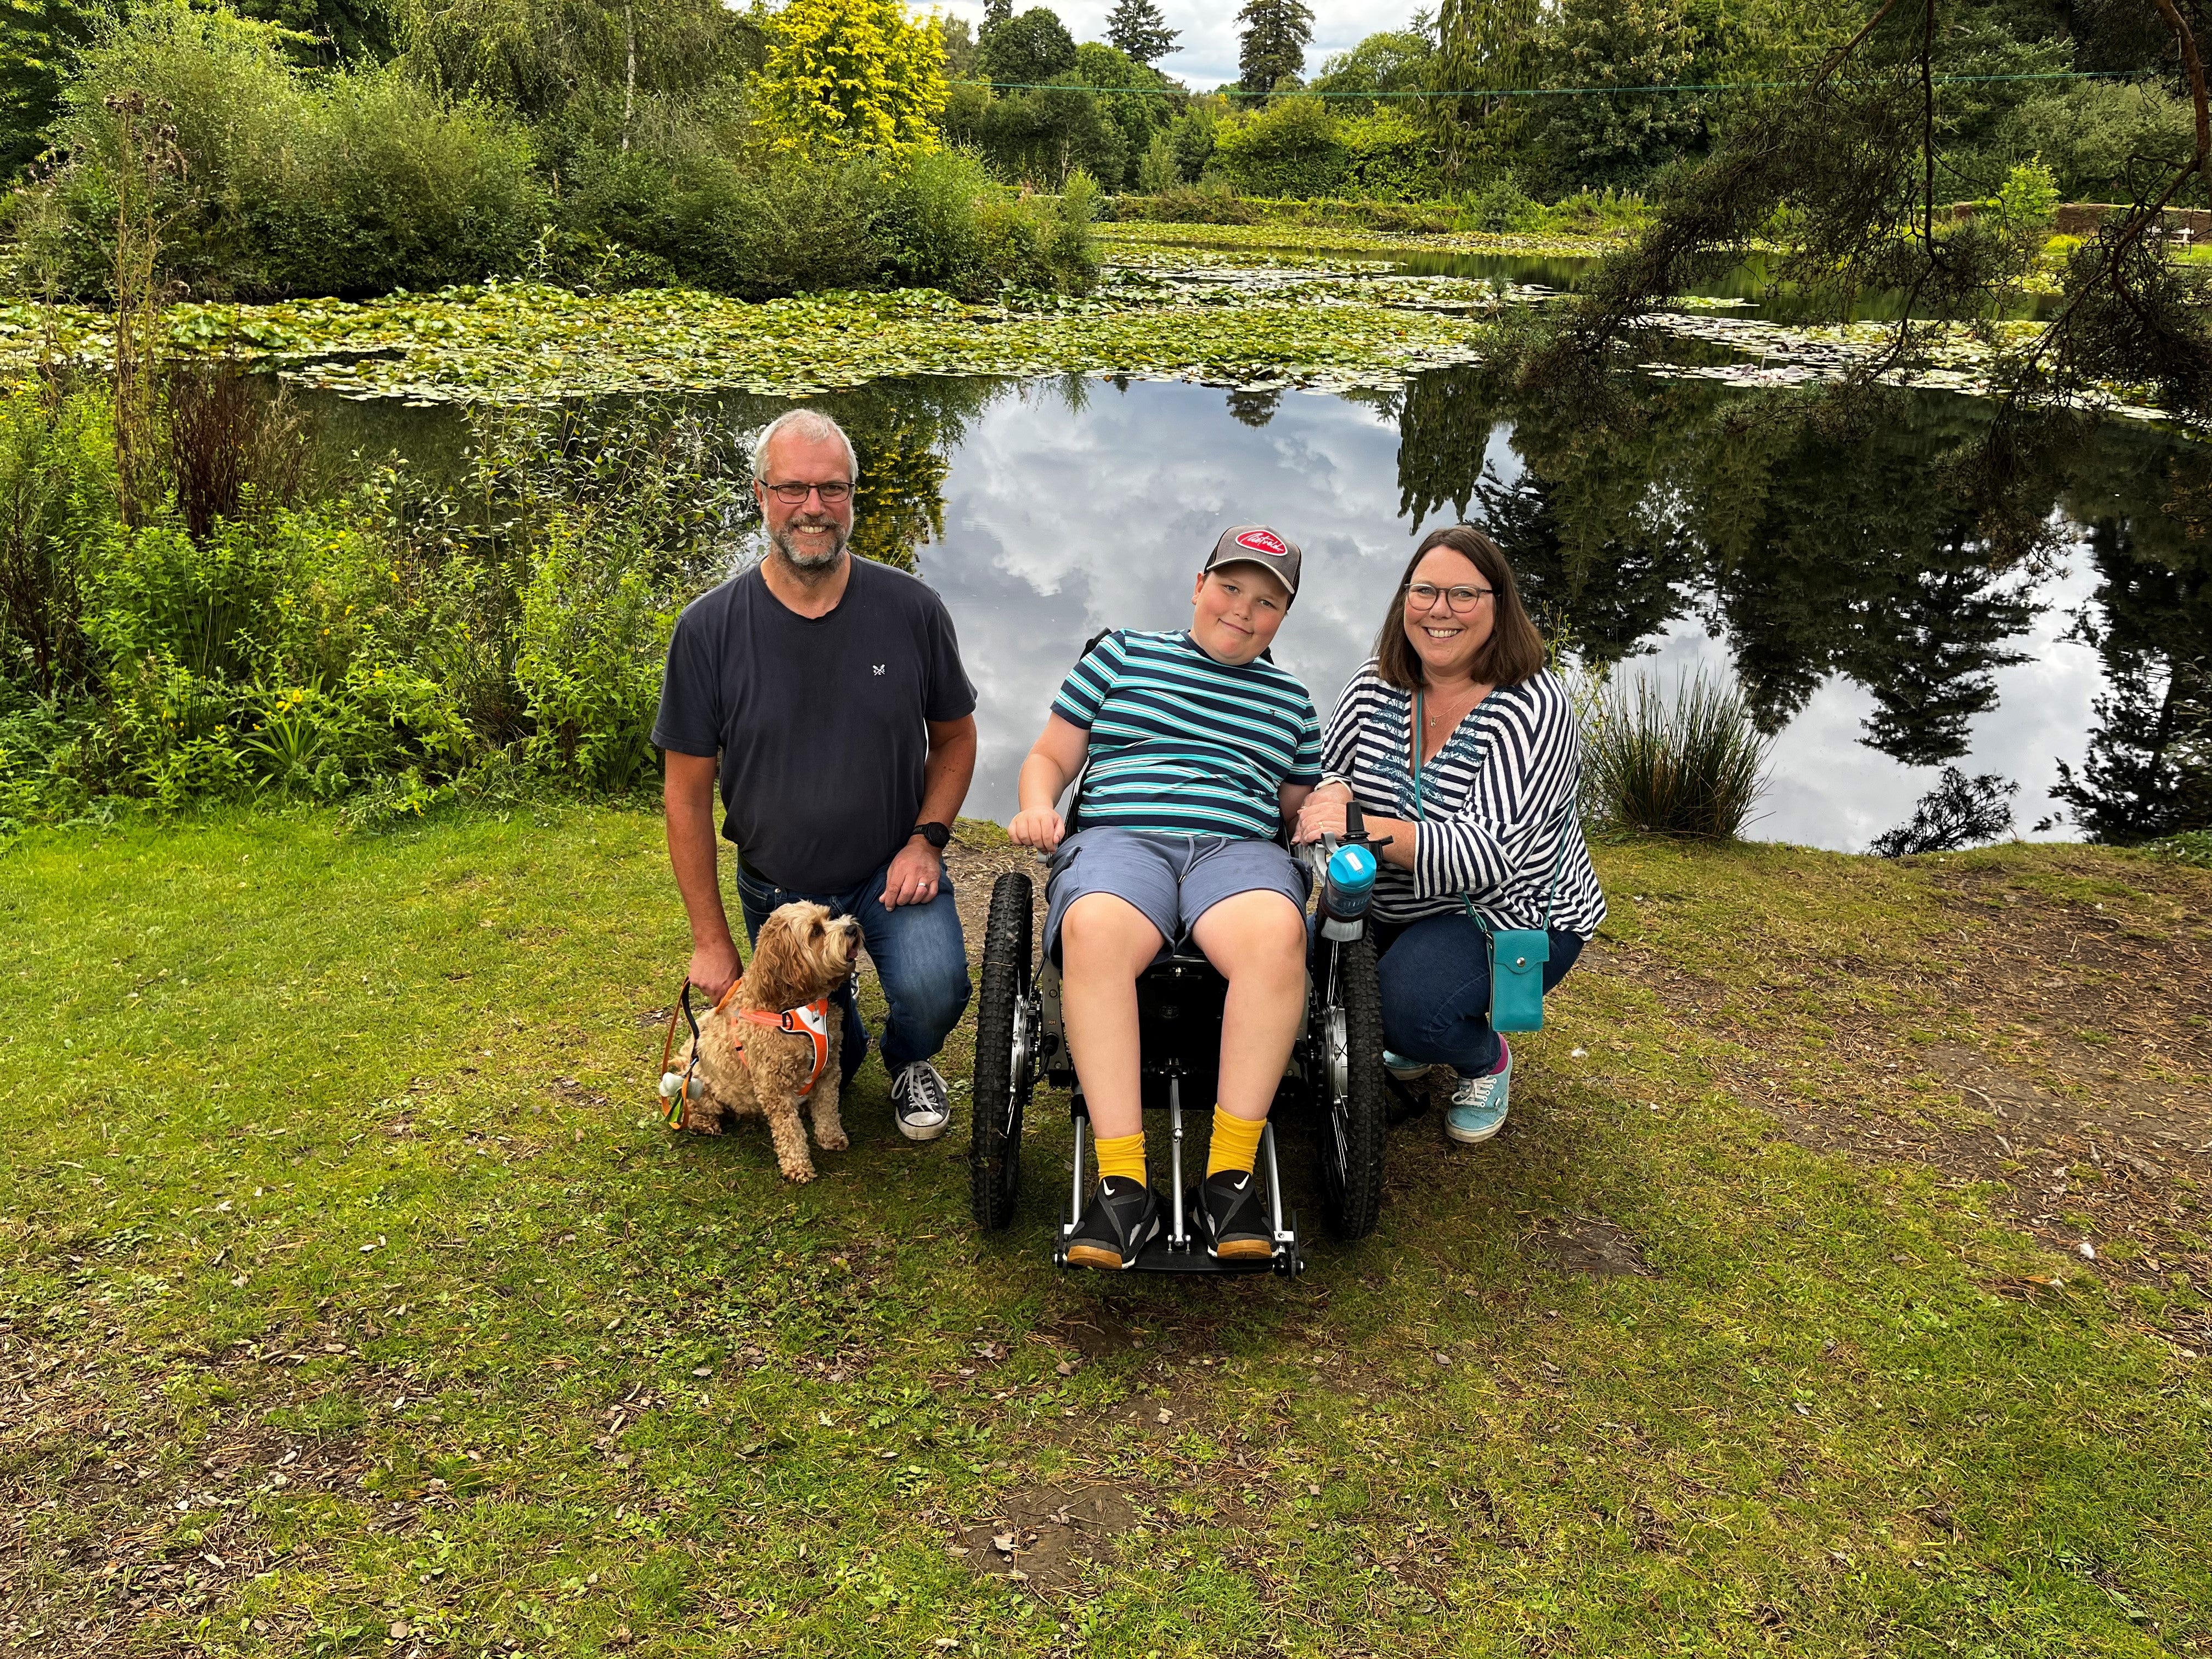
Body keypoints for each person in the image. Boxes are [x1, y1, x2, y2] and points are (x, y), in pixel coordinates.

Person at [652, 408, 978, 1144]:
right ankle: (849, 1039)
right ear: (763, 495)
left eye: (831, 490)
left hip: (888, 873)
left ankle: (911, 1059)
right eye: (793, 489)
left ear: (853, 497)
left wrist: (926, 841)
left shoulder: (912, 610)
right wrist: (710, 938)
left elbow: (956, 739)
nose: (813, 509)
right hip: (779, 892)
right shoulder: (709, 630)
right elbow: (685, 795)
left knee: (934, 989)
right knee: (828, 1049)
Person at [1009, 526, 1321, 1268]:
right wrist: (1037, 802)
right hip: (1123, 840)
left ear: (1284, 617)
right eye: (1231, 587)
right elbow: (1051, 753)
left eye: (1267, 601)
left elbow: (1299, 808)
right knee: (1093, 928)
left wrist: (1328, 810)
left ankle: (1231, 1175)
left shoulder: (1293, 703)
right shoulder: (1122, 656)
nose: (1243, 610)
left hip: (1235, 852)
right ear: (1198, 584)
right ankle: (1123, 1186)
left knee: (1279, 934)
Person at [1295, 524, 1605, 1144]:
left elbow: (1492, 854)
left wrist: (1359, 824)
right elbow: (1332, 768)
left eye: (1464, 595)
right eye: (1426, 591)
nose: (1441, 610)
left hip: (1505, 911)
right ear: (1404, 599)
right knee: (1294, 969)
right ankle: (1409, 1028)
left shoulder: (1532, 707)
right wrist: (1330, 791)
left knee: (1407, 1007)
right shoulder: (1375, 680)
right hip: (1391, 901)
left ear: (1499, 605)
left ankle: (1483, 1058)